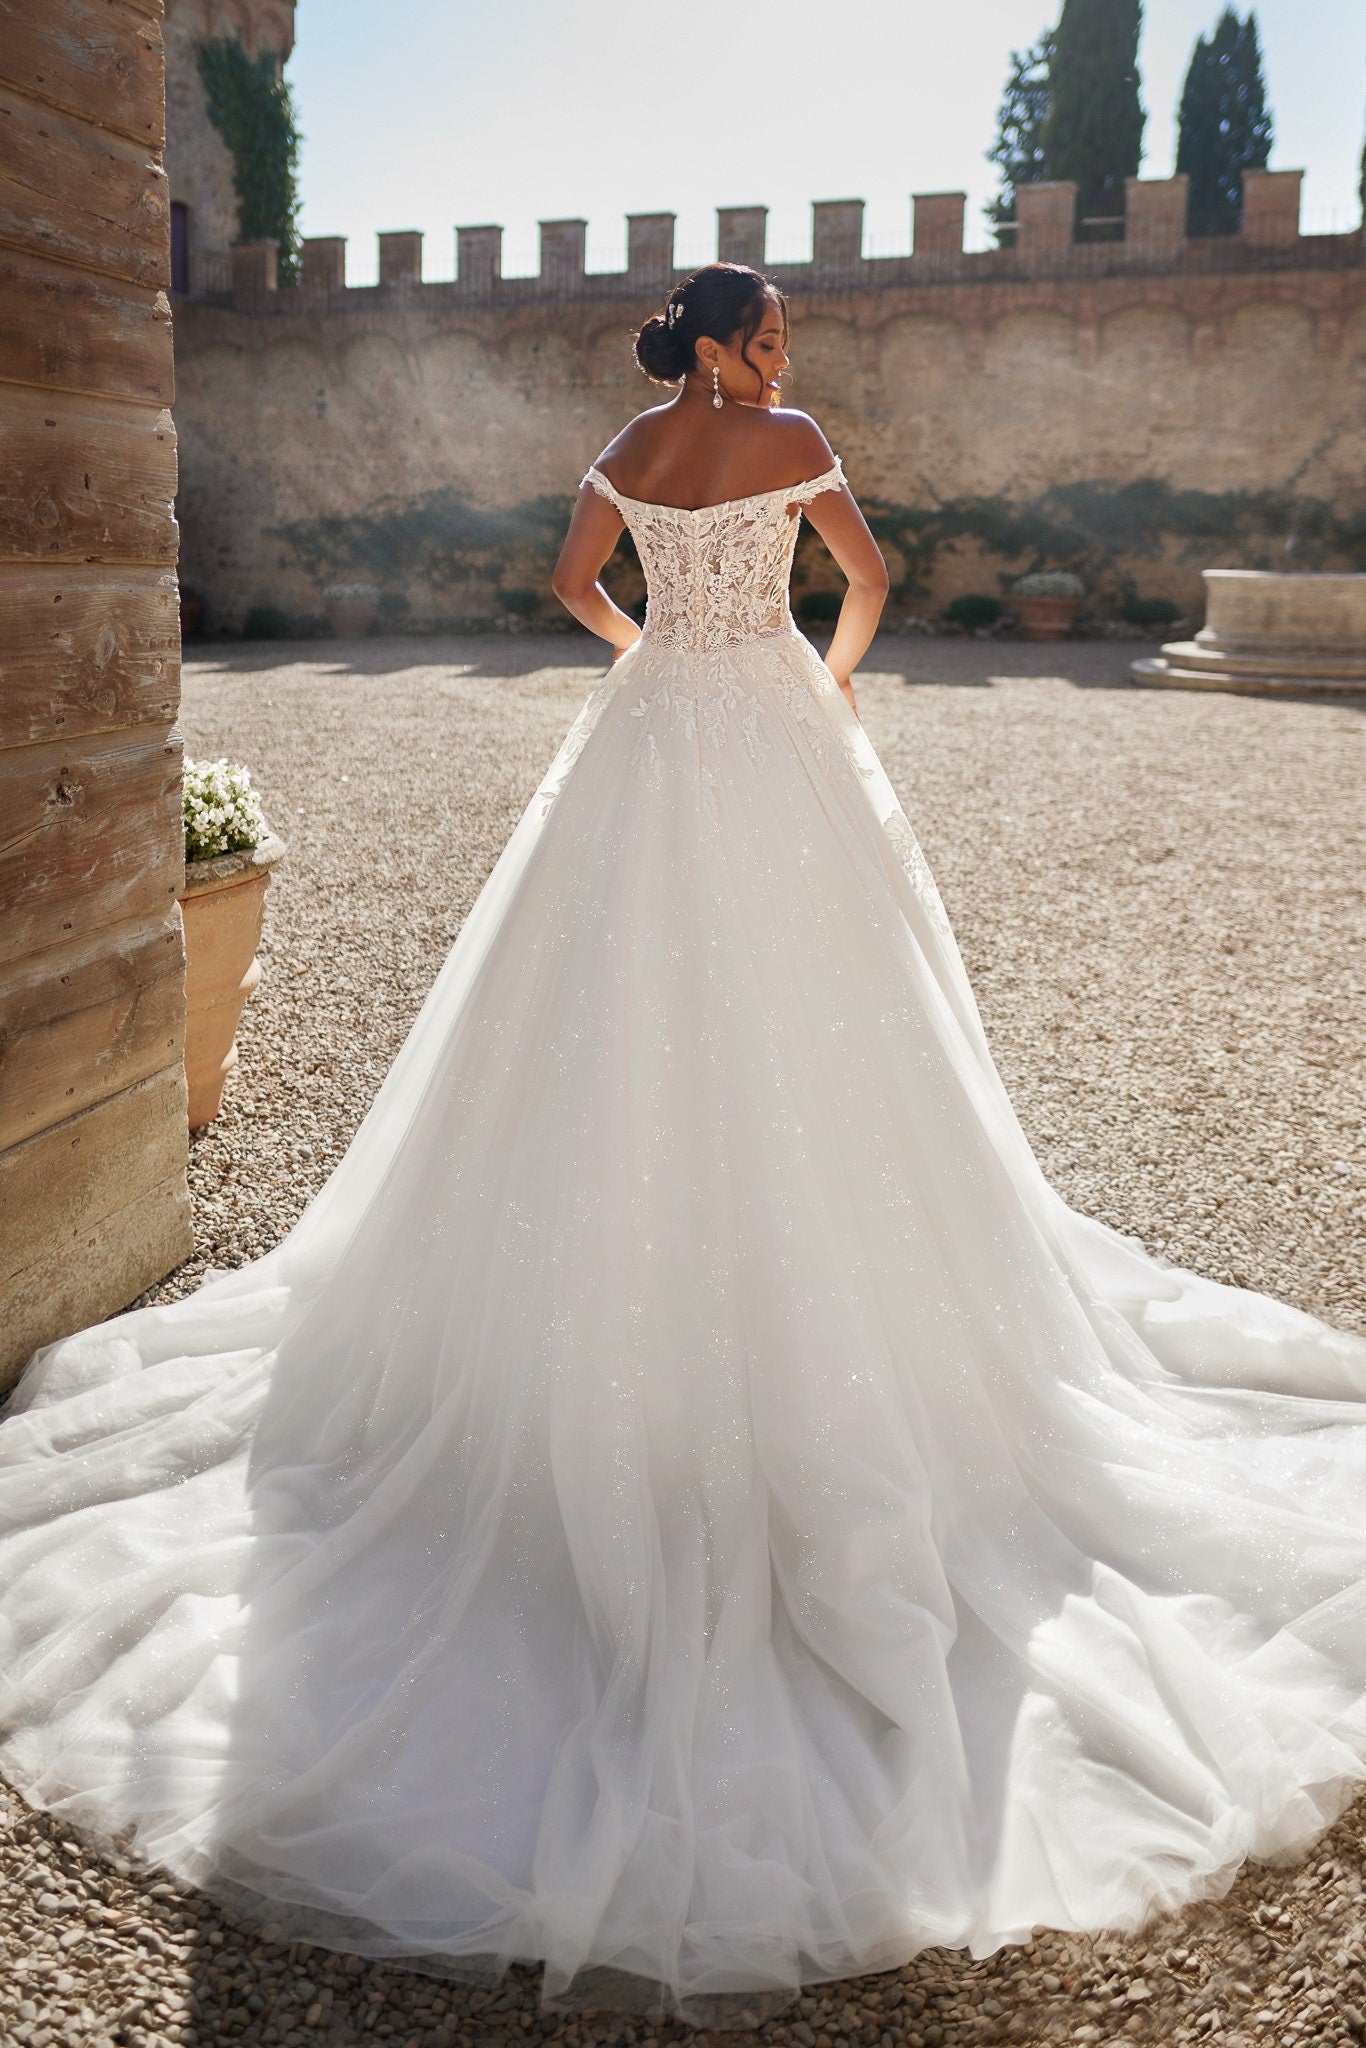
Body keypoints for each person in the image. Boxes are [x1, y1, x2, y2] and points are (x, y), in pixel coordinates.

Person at [1, 262, 1364, 2029]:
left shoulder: (629, 445)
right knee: (826, 1007)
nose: (787, 357)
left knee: (601, 1005)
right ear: (724, 345)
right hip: (774, 730)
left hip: (648, 740)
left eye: (784, 338)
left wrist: (651, 654)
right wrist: (829, 684)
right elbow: (866, 583)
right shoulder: (785, 437)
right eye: (768, 332)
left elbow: (570, 583)